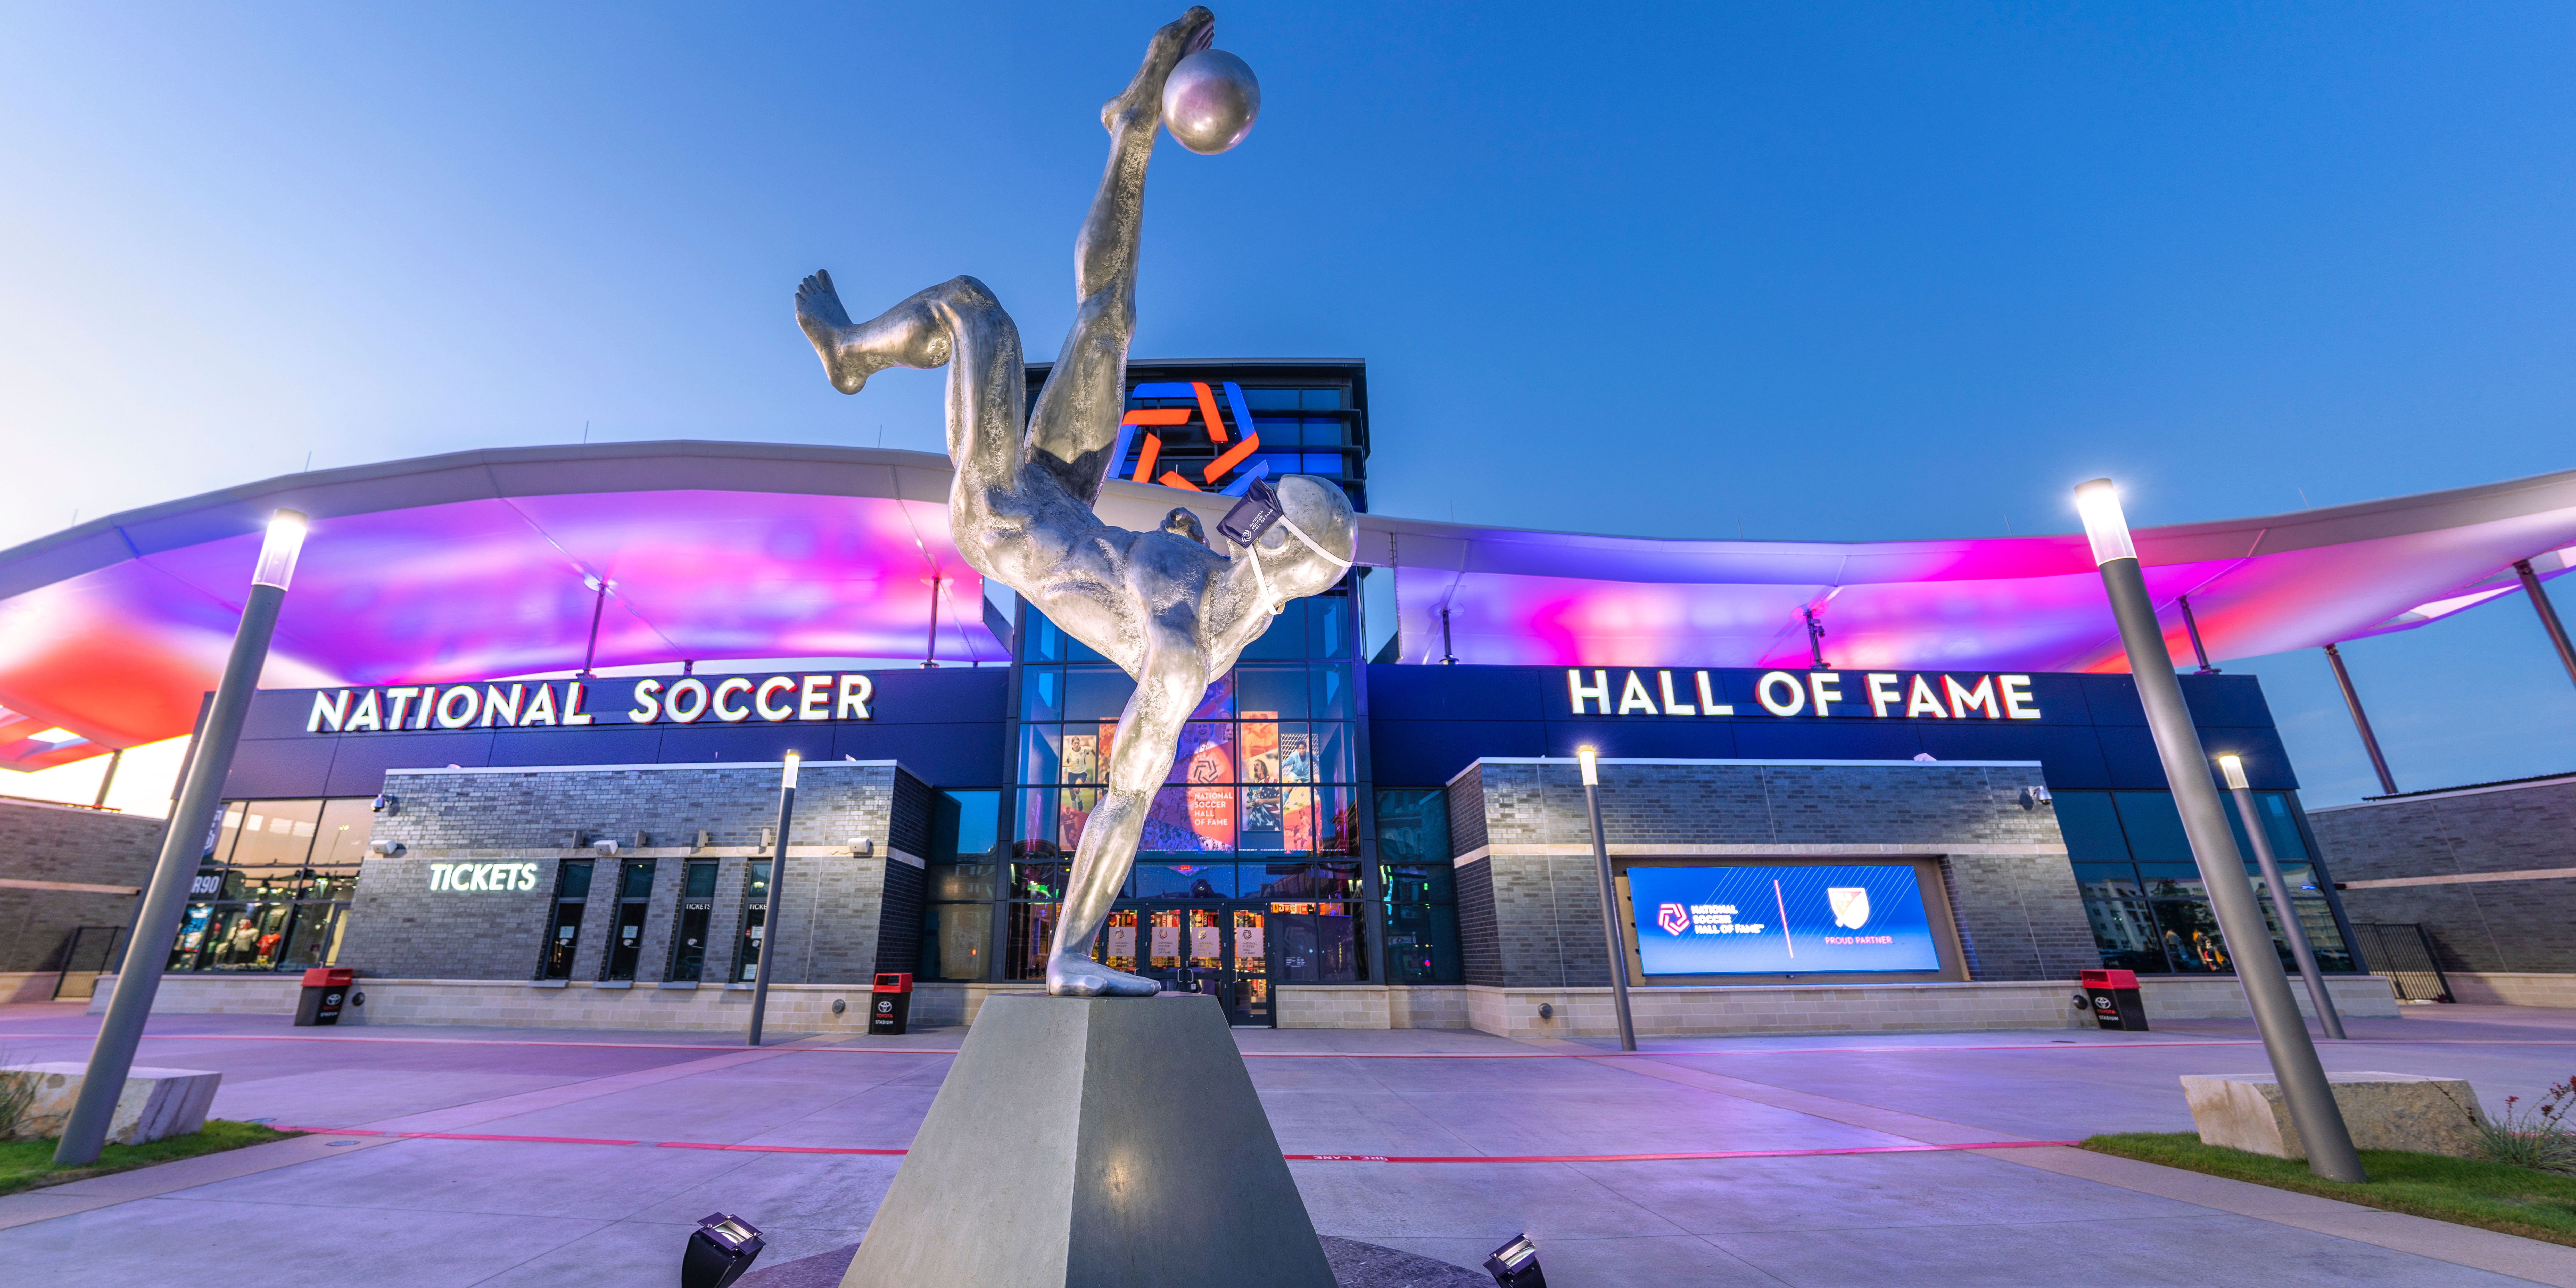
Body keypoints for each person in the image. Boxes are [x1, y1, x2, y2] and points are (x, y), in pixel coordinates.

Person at [794, 7, 1356, 997]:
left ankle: (850, 355)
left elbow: (1126, 801)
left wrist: (1069, 952)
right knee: (1110, 316)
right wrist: (1171, 532)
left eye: (1270, 503)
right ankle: (1131, 130)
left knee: (977, 311)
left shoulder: (1182, 658)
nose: (1253, 496)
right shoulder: (1218, 575)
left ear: (1282, 551)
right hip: (1066, 493)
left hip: (1009, 512)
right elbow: (1169, 552)